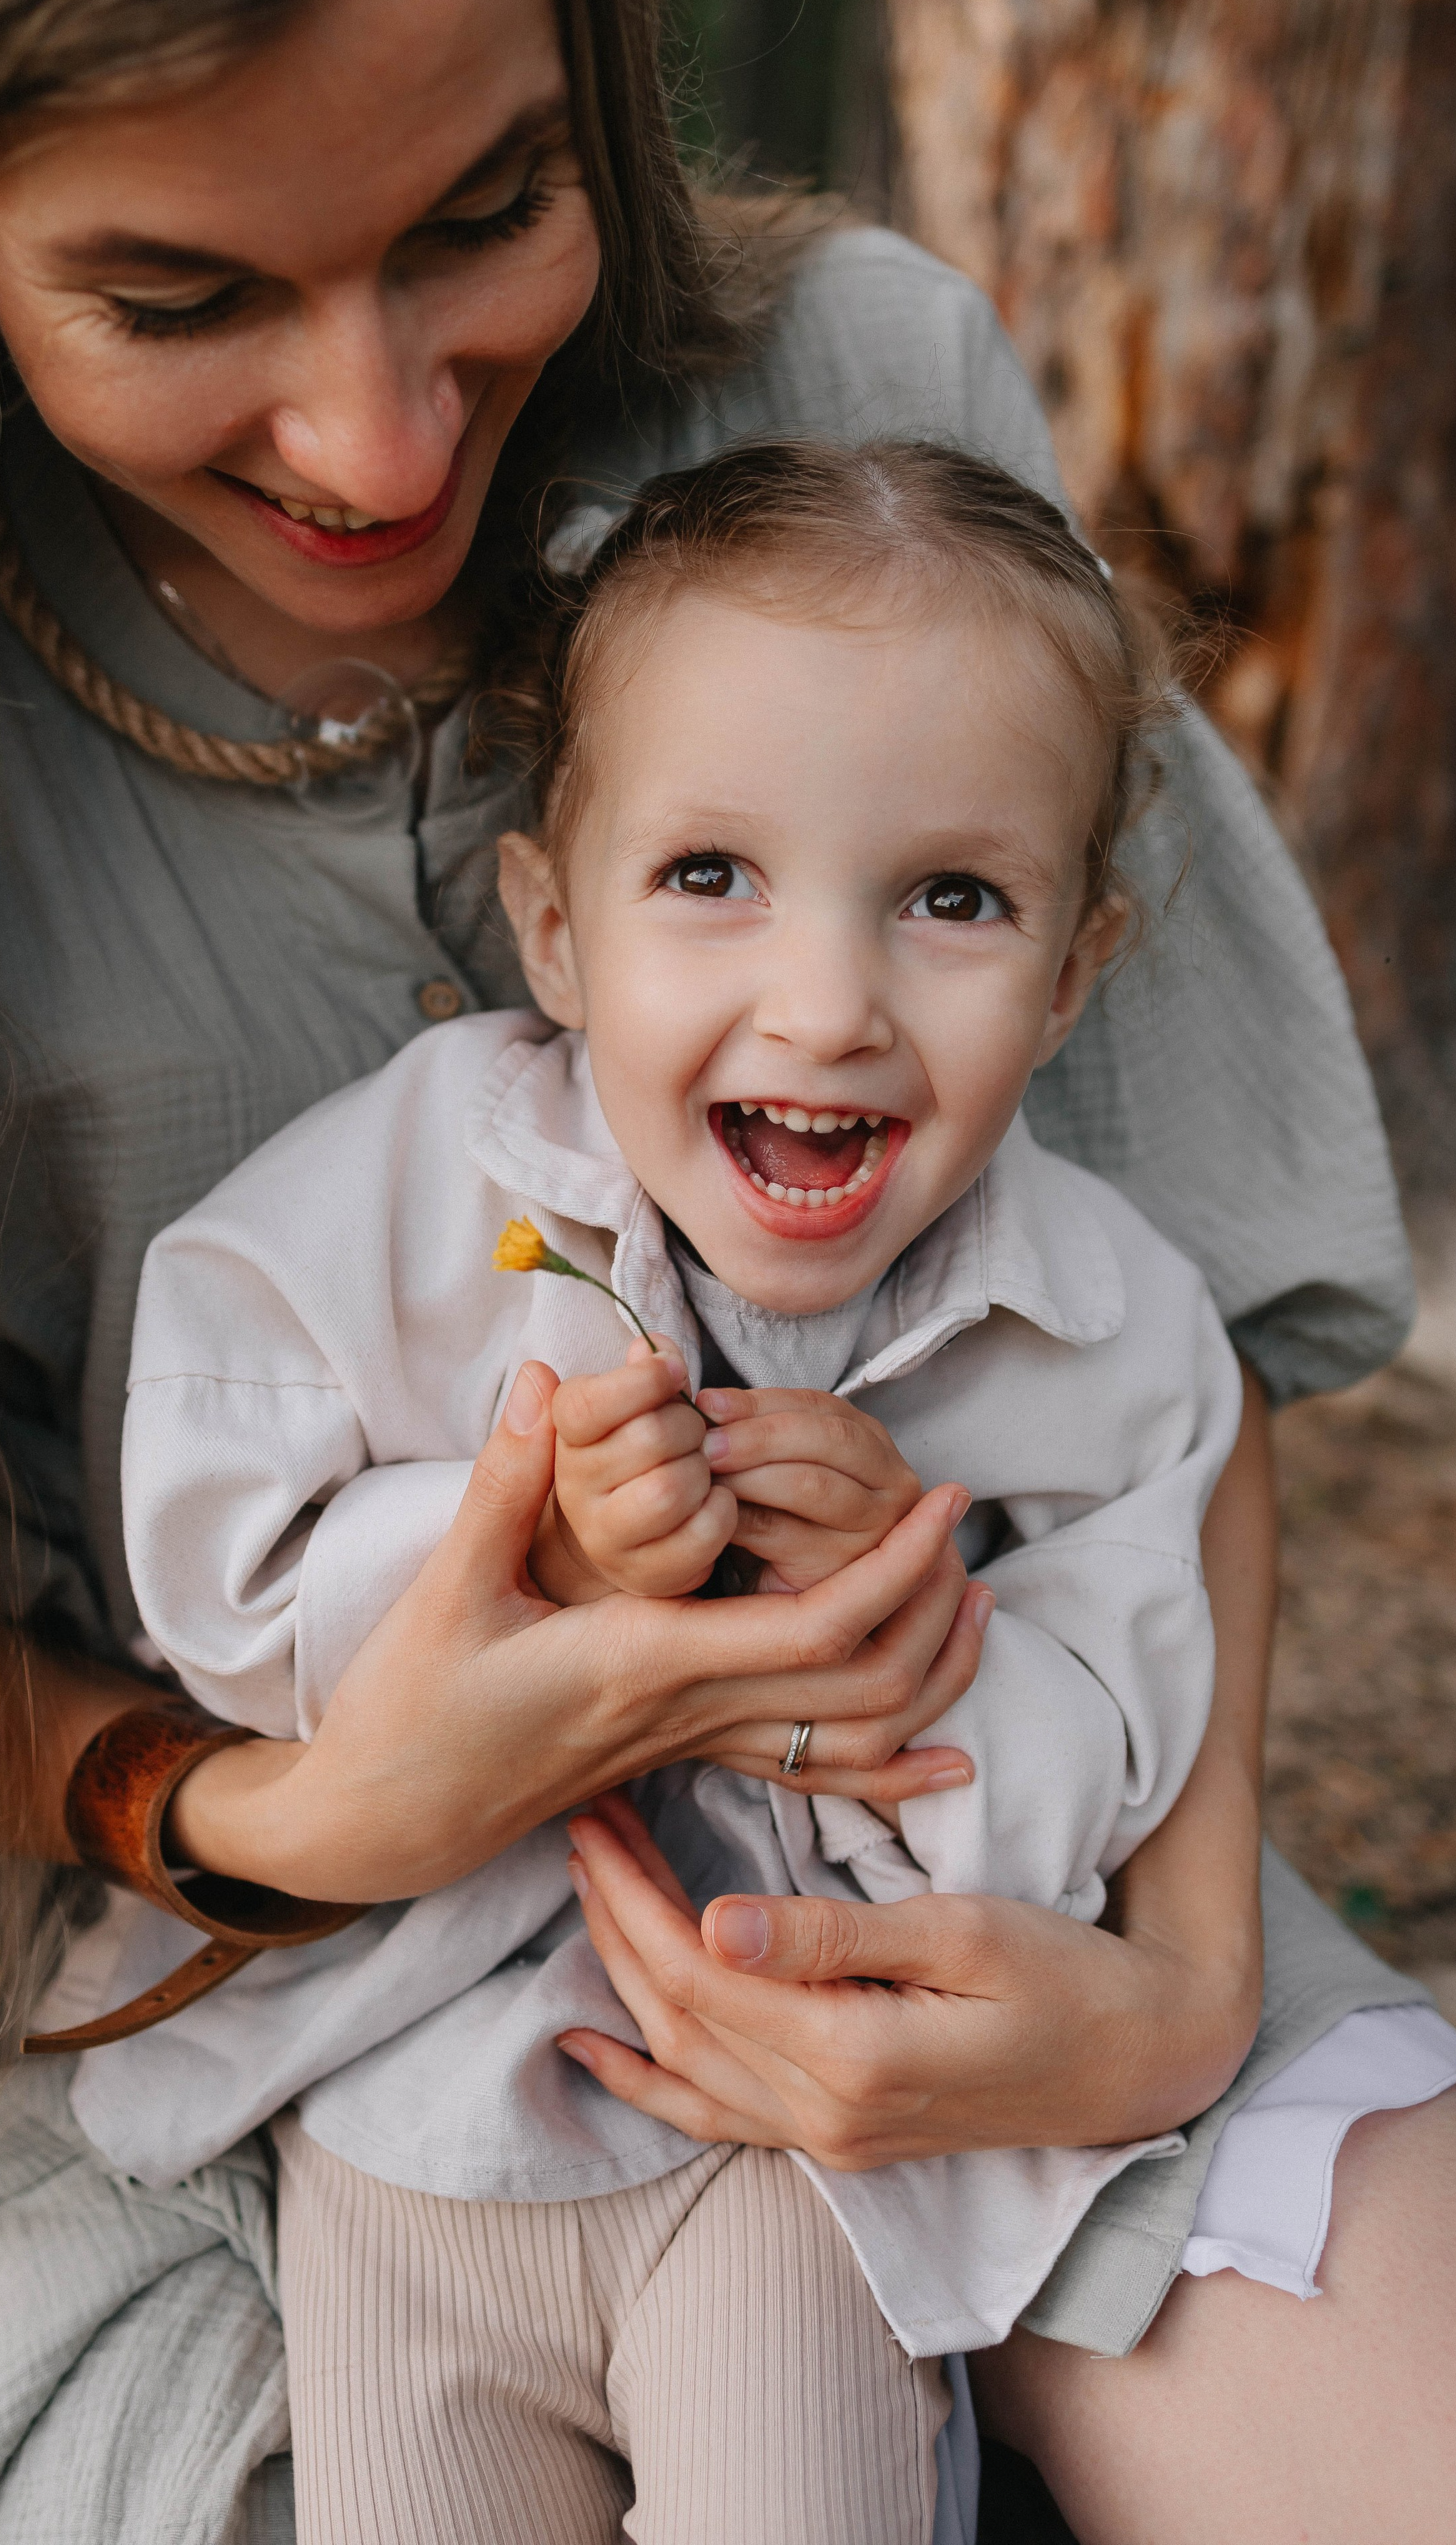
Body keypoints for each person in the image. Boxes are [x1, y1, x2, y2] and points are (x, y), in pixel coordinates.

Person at [0, 0, 1456, 2543]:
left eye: (485, 210)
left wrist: (1170, 1997)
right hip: (111, 1997)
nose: (377, 436)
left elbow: (1161, 1356)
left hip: (956, 1859)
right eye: (181, 296)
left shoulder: (858, 394)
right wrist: (284, 1815)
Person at [93, 441, 1240, 2542]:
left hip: (793, 2145)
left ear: (1075, 972)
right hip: (411, 2123)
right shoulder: (422, 1187)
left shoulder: (1101, 1333)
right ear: (555, 925)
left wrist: (939, 1649)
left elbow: (1115, 1760)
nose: (828, 1005)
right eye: (712, 874)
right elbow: (216, 1563)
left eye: (954, 899)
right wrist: (509, 1550)